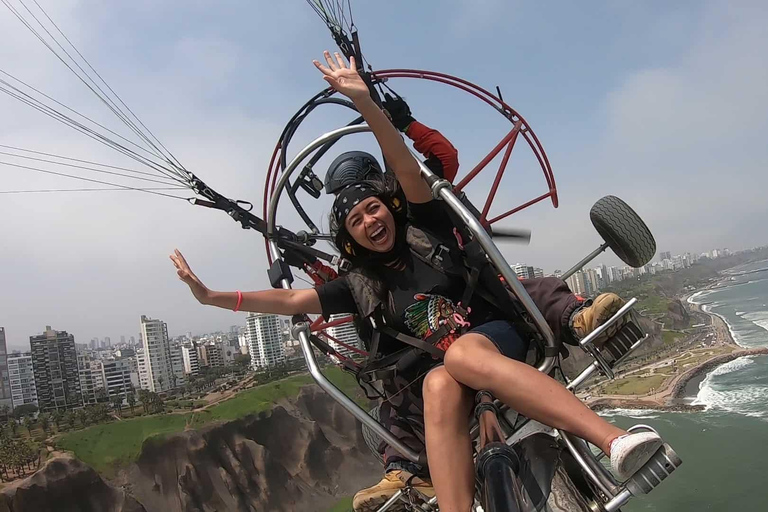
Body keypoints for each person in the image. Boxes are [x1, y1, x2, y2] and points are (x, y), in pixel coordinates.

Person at [170, 51, 662, 512]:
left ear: (390, 207)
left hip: (499, 338)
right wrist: (212, 297)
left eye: (373, 207)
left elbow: (407, 165)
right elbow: (293, 298)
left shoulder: (426, 225)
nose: (369, 220)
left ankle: (612, 440)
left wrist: (366, 102)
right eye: (356, 219)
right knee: (438, 386)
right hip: (442, 370)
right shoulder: (360, 284)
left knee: (462, 355)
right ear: (348, 237)